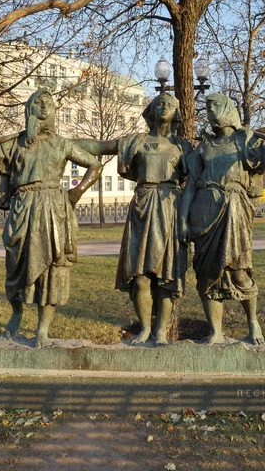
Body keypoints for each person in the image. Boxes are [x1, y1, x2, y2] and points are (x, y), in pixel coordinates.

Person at [0, 88, 101, 348]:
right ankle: (16, 314)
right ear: (29, 108)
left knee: (51, 268)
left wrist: (76, 193)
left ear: (54, 111)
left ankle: (43, 329)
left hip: (53, 207)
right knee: (15, 264)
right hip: (22, 206)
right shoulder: (15, 143)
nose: (43, 106)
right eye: (37, 102)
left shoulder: (61, 143)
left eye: (48, 103)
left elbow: (94, 164)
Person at [180, 93, 265, 345]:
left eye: (213, 105)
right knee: (207, 274)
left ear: (227, 109)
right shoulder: (203, 148)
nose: (209, 110)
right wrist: (183, 221)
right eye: (206, 107)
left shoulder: (247, 142)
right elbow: (189, 188)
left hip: (235, 210)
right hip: (204, 212)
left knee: (239, 271)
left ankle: (253, 324)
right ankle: (215, 332)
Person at [79, 92, 191, 345]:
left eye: (169, 104)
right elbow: (99, 147)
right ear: (151, 111)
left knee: (167, 276)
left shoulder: (184, 147)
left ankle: (161, 332)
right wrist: (60, 142)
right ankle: (145, 329)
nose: (163, 106)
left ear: (176, 113)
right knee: (140, 277)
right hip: (142, 206)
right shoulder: (135, 142)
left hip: (170, 208)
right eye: (159, 103)